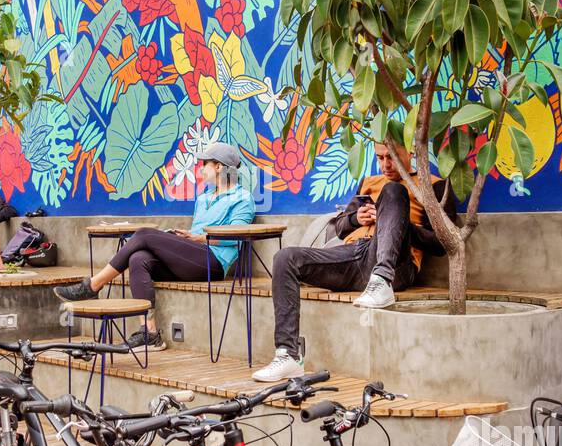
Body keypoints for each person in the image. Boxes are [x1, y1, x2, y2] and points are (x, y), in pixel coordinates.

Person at [252, 142, 457, 382]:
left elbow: (442, 245)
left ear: (410, 152)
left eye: (391, 157)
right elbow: (339, 227)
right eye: (380, 158)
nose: (385, 165)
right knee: (285, 258)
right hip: (352, 256)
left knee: (393, 192)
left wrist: (398, 222)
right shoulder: (368, 183)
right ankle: (287, 355)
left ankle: (381, 281)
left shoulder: (434, 185)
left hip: (395, 265)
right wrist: (355, 219)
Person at [54, 141, 255, 350]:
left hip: (214, 263)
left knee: (143, 235)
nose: (201, 168)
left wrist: (199, 239)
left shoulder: (242, 198)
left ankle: (93, 285)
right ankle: (149, 332)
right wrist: (185, 238)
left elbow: (237, 236)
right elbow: (196, 232)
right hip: (192, 258)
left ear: (219, 167)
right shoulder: (203, 198)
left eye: (205, 163)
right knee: (138, 258)